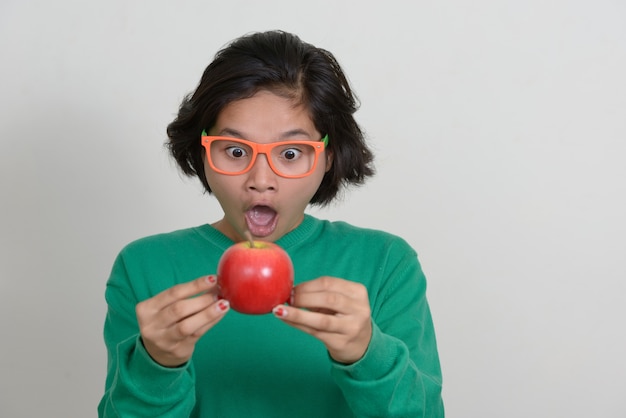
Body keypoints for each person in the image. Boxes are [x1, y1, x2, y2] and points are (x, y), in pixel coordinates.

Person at [98, 30, 444, 417]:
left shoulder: (385, 263)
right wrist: (157, 362)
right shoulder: (145, 267)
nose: (261, 179)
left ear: (328, 157)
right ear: (202, 150)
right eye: (234, 150)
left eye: (291, 153)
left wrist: (366, 352)